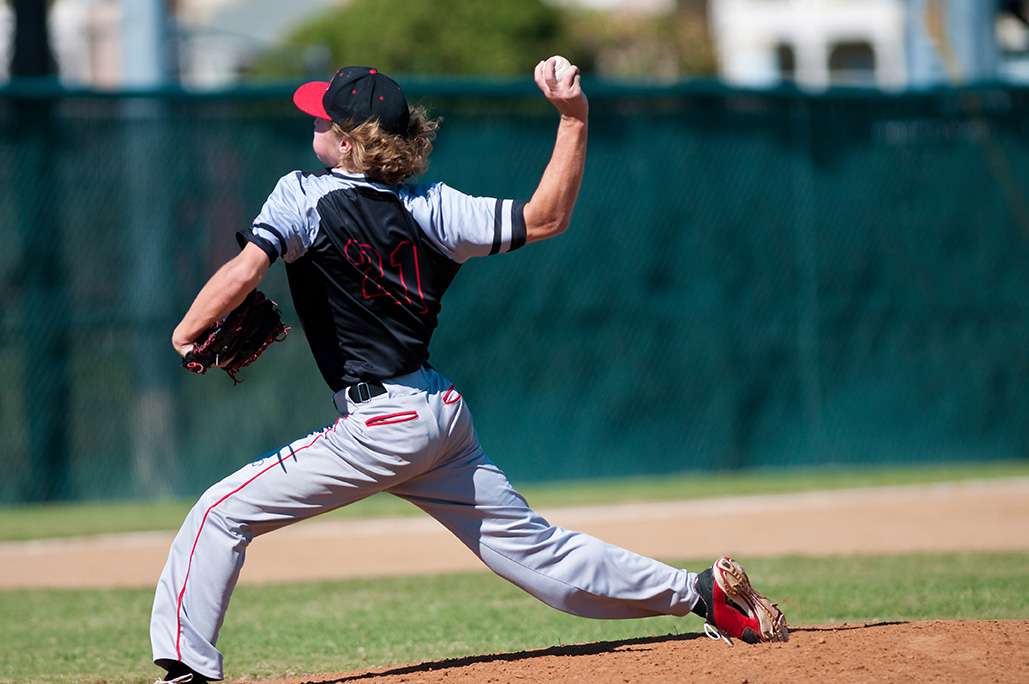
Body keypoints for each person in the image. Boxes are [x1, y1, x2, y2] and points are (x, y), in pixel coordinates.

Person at [150, 60, 787, 684]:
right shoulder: (434, 206)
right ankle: (705, 595)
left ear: (345, 143)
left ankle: (185, 671)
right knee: (537, 556)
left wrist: (184, 333)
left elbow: (245, 271)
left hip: (380, 425)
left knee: (218, 514)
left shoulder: (303, 194)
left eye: (321, 120)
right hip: (437, 414)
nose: (310, 127)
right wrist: (573, 119)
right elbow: (547, 218)